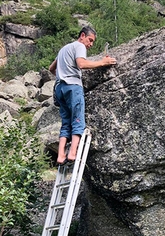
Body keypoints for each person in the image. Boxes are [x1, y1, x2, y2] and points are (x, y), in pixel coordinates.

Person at [49, 26, 117, 165]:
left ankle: (61, 155)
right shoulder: (79, 46)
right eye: (90, 40)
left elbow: (51, 68)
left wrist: (62, 76)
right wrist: (103, 62)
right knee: (78, 119)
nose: (90, 44)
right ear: (82, 36)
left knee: (66, 123)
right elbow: (81, 64)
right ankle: (73, 152)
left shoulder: (64, 49)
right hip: (73, 87)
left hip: (59, 88)